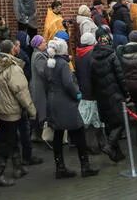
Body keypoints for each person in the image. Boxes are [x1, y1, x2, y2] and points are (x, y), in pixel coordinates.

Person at [43, 38, 98, 179]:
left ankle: (60, 167)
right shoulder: (63, 64)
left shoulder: (48, 63)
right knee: (79, 132)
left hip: (53, 102)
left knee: (58, 134)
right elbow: (68, 84)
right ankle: (85, 166)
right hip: (66, 103)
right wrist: (77, 94)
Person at [0, 39, 35, 186]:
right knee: (7, 142)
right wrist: (32, 110)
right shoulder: (13, 69)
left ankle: (18, 166)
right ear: (12, 49)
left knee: (11, 139)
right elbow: (21, 92)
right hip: (11, 110)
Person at [89, 27, 126, 161]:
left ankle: (117, 154)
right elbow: (120, 75)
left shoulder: (93, 58)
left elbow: (92, 79)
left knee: (110, 124)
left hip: (101, 96)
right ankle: (110, 146)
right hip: (114, 94)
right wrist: (125, 92)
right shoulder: (112, 55)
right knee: (120, 122)